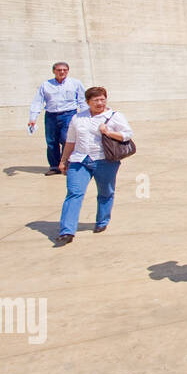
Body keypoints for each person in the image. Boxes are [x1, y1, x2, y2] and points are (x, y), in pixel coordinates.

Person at [56, 87, 132, 245]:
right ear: (88, 102)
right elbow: (70, 141)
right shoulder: (78, 118)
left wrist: (108, 133)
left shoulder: (115, 116)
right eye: (96, 100)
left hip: (105, 160)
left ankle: (102, 221)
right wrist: (64, 160)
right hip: (79, 160)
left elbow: (127, 135)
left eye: (103, 99)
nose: (100, 103)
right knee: (74, 193)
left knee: (105, 192)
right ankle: (67, 231)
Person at [29, 62, 87, 174]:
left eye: (65, 70)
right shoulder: (46, 85)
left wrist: (85, 116)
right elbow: (38, 102)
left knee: (67, 139)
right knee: (51, 142)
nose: (62, 72)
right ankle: (54, 166)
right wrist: (33, 118)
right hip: (51, 116)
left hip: (69, 114)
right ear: (54, 71)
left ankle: (67, 164)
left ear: (68, 71)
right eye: (59, 70)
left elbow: (82, 101)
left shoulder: (75, 83)